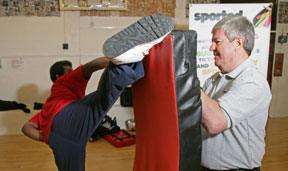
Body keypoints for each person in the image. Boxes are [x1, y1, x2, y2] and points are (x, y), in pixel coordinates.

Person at [22, 14, 174, 171]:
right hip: (69, 119)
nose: (72, 72)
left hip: (61, 143)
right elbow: (91, 66)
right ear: (58, 76)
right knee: (101, 99)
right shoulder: (65, 81)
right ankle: (124, 63)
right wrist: (112, 60)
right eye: (69, 70)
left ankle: (124, 62)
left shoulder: (47, 107)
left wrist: (47, 138)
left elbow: (26, 128)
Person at [200, 16, 272, 171]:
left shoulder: (253, 83)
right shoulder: (213, 80)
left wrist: (188, 82)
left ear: (238, 43)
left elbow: (215, 122)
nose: (211, 47)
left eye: (217, 42)